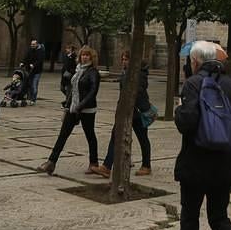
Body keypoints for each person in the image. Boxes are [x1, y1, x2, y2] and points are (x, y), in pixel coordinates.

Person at [174, 40, 231, 230]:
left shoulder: (192, 84)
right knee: (219, 218)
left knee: (189, 220)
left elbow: (186, 123)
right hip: (223, 168)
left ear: (196, 61)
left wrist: (180, 109)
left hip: (195, 167)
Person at [38, 45, 100, 175]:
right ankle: (51, 162)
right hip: (73, 108)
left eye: (87, 55)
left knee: (90, 136)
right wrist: (68, 106)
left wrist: (81, 105)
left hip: (86, 109)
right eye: (83, 55)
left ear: (91, 57)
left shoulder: (93, 72)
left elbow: (92, 92)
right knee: (63, 134)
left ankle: (94, 163)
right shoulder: (78, 70)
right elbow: (73, 90)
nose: (84, 57)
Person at [96, 50, 152, 178]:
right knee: (116, 136)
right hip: (125, 111)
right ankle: (107, 166)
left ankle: (146, 165)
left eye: (126, 59)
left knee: (142, 138)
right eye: (123, 59)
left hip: (136, 112)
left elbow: (139, 92)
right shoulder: (127, 73)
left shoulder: (139, 74)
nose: (123, 62)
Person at [24, 38, 46, 106]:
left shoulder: (40, 51)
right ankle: (29, 98)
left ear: (37, 44)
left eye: (33, 44)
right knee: (29, 85)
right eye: (31, 44)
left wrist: (34, 65)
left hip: (37, 71)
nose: (32, 45)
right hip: (29, 70)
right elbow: (26, 57)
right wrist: (22, 62)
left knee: (34, 85)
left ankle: (33, 99)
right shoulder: (30, 50)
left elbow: (40, 60)